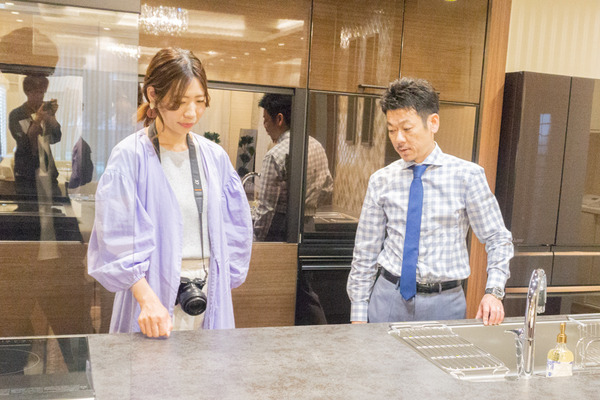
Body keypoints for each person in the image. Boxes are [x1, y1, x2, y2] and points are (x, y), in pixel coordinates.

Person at [87, 48, 253, 337]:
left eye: (199, 101)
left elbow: (235, 230)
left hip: (207, 295)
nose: (191, 113)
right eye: (179, 102)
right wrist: (147, 300)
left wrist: (220, 286)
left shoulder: (214, 157)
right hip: (151, 298)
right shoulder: (130, 156)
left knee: (210, 365)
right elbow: (116, 240)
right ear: (153, 95)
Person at [347, 77, 513, 326]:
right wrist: (358, 315)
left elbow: (497, 239)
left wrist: (494, 291)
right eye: (391, 130)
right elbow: (365, 252)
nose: (399, 139)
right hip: (388, 297)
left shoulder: (467, 176)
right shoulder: (381, 180)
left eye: (407, 128)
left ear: (433, 122)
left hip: (444, 303)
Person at [253, 93, 333, 241]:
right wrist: (308, 207)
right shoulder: (316, 146)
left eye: (266, 120)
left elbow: (266, 209)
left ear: (279, 119)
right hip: (309, 227)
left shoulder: (275, 155)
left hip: (280, 230)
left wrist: (257, 240)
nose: (265, 126)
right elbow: (327, 188)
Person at [8, 74, 62, 209]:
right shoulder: (16, 114)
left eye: (42, 92)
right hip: (26, 175)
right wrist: (37, 120)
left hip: (47, 171)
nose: (40, 96)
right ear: (28, 92)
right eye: (37, 92)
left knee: (54, 211)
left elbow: (55, 138)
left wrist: (51, 117)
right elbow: (24, 143)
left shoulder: (44, 111)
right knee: (27, 213)